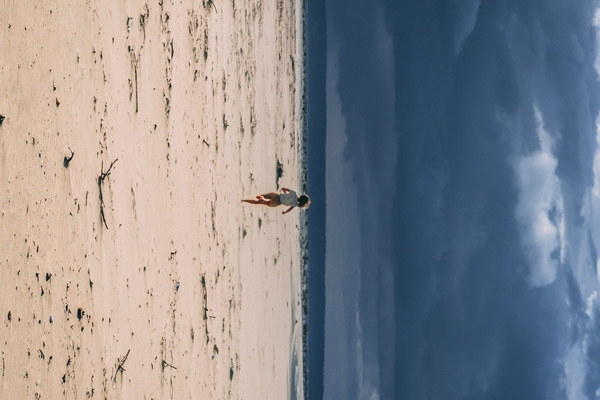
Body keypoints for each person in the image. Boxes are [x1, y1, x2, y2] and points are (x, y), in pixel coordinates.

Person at [242, 187, 310, 214]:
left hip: (277, 195)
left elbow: (283, 189)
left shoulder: (294, 192)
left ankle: (262, 198)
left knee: (262, 196)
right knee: (259, 203)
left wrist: (286, 194)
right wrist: (285, 212)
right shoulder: (295, 203)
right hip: (278, 202)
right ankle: (244, 200)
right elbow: (289, 209)